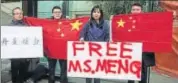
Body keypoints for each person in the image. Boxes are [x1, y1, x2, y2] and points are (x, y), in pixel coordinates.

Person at [79, 5, 110, 83]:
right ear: (92, 13)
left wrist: (107, 43)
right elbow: (82, 32)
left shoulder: (106, 24)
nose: (96, 14)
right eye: (94, 12)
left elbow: (107, 35)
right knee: (88, 72)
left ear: (101, 14)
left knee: (97, 72)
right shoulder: (88, 23)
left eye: (98, 12)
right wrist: (82, 38)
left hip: (100, 52)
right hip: (89, 52)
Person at [127, 3, 155, 83]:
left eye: (137, 9)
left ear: (141, 11)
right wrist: (112, 20)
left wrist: (171, 18)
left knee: (143, 73)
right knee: (130, 72)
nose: (135, 11)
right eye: (133, 9)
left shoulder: (147, 21)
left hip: (143, 51)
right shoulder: (126, 21)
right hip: (130, 50)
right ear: (131, 11)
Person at [47, 6, 68, 83]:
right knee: (51, 71)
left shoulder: (66, 22)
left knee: (63, 71)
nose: (57, 14)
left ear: (61, 13)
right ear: (52, 13)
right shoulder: (47, 23)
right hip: (51, 51)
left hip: (63, 51)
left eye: (59, 12)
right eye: (55, 12)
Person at [9, 7, 30, 83]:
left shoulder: (26, 26)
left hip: (25, 55)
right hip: (14, 56)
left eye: (21, 13)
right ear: (13, 15)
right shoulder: (8, 27)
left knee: (23, 74)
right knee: (14, 74)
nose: (19, 15)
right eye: (17, 13)